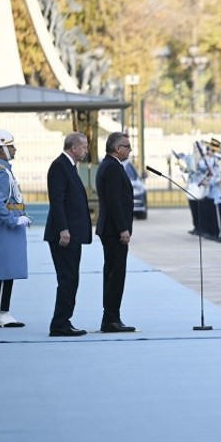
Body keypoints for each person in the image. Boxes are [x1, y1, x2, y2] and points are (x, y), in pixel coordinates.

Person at [44, 132, 92, 337]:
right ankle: (59, 323)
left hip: (72, 234)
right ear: (74, 147)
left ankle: (64, 320)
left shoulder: (69, 166)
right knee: (67, 278)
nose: (86, 150)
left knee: (71, 278)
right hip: (64, 235)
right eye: (84, 147)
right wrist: (63, 229)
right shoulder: (59, 166)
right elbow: (57, 201)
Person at [0, 129, 29, 328]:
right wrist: (14, 220)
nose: (14, 149)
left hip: (10, 224)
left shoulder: (3, 170)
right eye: (11, 146)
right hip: (7, 227)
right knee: (4, 271)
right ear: (2, 149)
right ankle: (2, 312)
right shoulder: (1, 172)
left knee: (5, 269)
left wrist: (21, 215)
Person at [95, 132, 136, 332]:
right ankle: (111, 319)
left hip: (111, 229)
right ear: (117, 148)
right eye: (127, 146)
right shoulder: (111, 167)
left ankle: (111, 317)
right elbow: (114, 201)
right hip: (114, 230)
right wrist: (123, 228)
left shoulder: (111, 165)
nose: (130, 149)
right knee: (115, 275)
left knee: (113, 274)